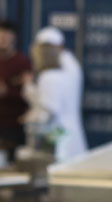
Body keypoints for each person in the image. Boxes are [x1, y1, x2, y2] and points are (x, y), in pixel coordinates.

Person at [26, 28, 87, 161]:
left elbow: (49, 110)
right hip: (71, 134)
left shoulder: (49, 76)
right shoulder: (72, 66)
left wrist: (31, 118)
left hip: (57, 137)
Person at [0, 19, 32, 151]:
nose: (2, 40)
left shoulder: (22, 62)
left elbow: (29, 96)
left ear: (13, 38)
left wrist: (8, 93)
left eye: (5, 36)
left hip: (12, 126)